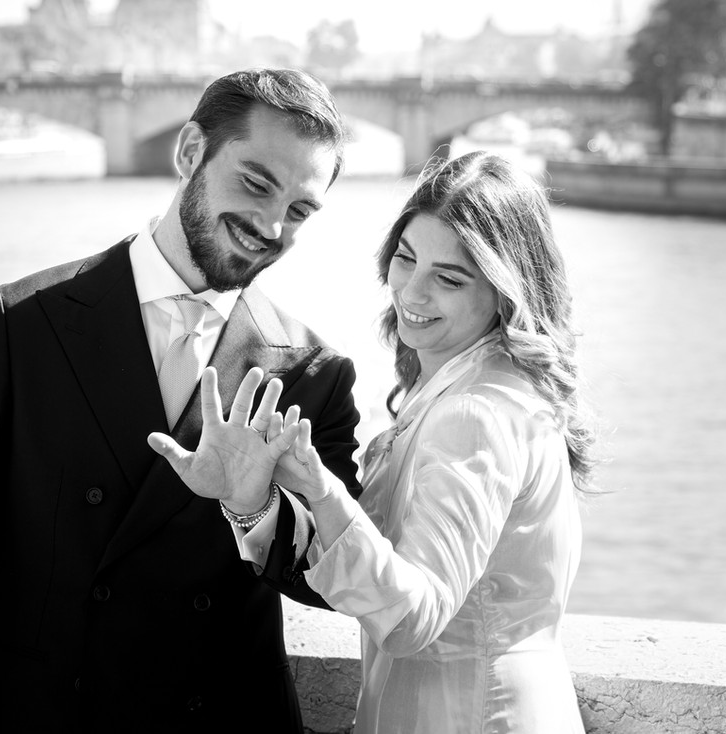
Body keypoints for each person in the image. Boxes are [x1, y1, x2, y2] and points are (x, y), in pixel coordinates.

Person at [0, 68, 363, 734]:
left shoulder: (315, 372)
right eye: (255, 182)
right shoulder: (21, 324)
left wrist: (255, 508)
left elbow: (333, 580)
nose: (272, 224)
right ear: (190, 151)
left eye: (300, 209)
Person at [154, 151, 594, 733]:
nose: (411, 292)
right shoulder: (478, 385)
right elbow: (383, 570)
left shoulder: (472, 414)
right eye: (406, 260)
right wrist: (253, 502)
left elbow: (414, 616)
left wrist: (323, 490)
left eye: (449, 278)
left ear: (505, 291)